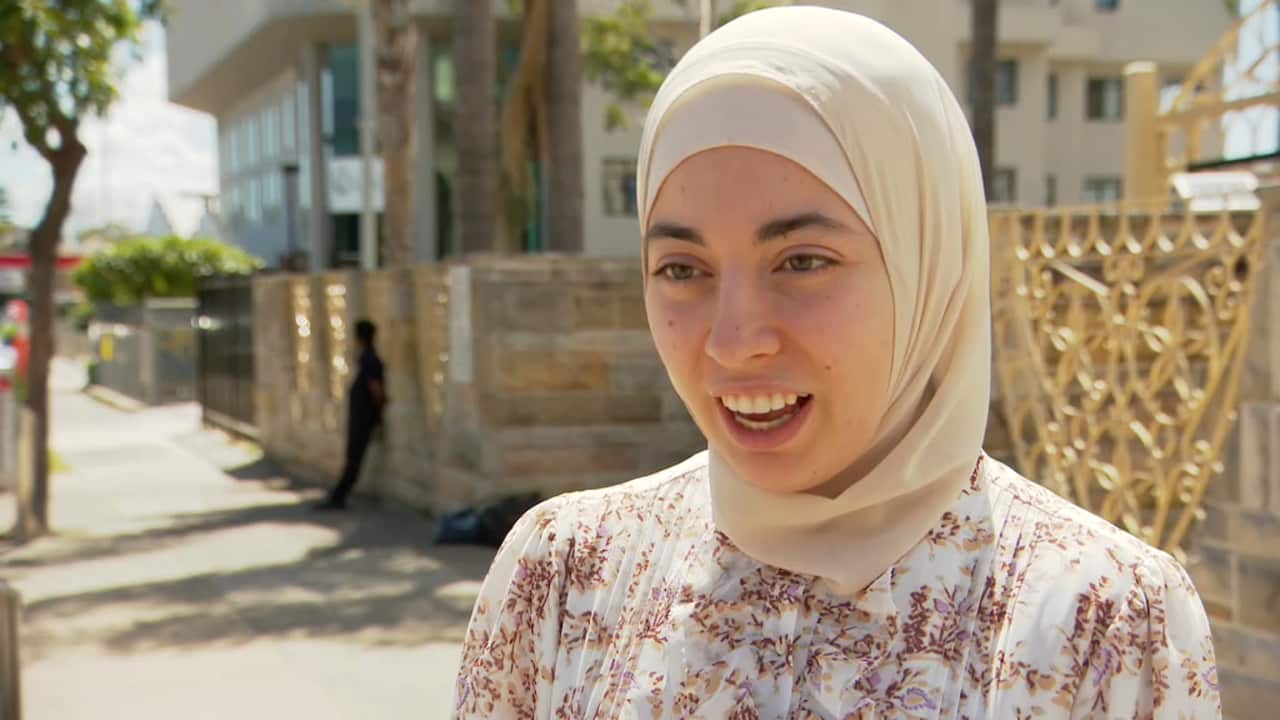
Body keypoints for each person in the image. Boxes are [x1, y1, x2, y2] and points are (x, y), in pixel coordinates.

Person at [453, 8, 1219, 718]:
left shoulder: (1103, 619)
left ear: (925, 265)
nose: (733, 340)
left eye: (802, 260)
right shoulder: (566, 580)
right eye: (682, 269)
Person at [315, 318, 385, 510]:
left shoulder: (369, 359)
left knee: (354, 457)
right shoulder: (367, 358)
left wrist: (379, 406)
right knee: (353, 457)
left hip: (363, 417)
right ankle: (338, 495)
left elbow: (375, 388)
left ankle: (339, 496)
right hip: (361, 416)